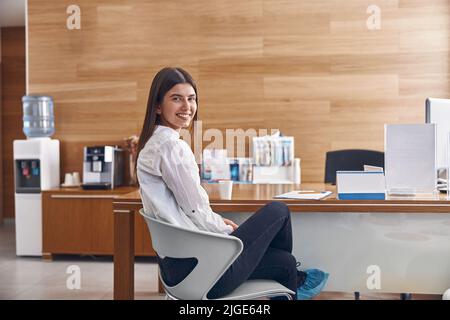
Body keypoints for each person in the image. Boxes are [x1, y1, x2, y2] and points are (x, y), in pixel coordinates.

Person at [136, 67, 329, 300]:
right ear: (158, 106)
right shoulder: (172, 147)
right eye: (176, 99)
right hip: (203, 272)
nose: (187, 107)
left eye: (191, 98)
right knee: (278, 210)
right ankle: (297, 283)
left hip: (176, 271)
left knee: (285, 264)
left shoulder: (152, 144)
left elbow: (185, 210)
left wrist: (216, 221)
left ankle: (295, 281)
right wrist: (224, 229)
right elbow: (194, 209)